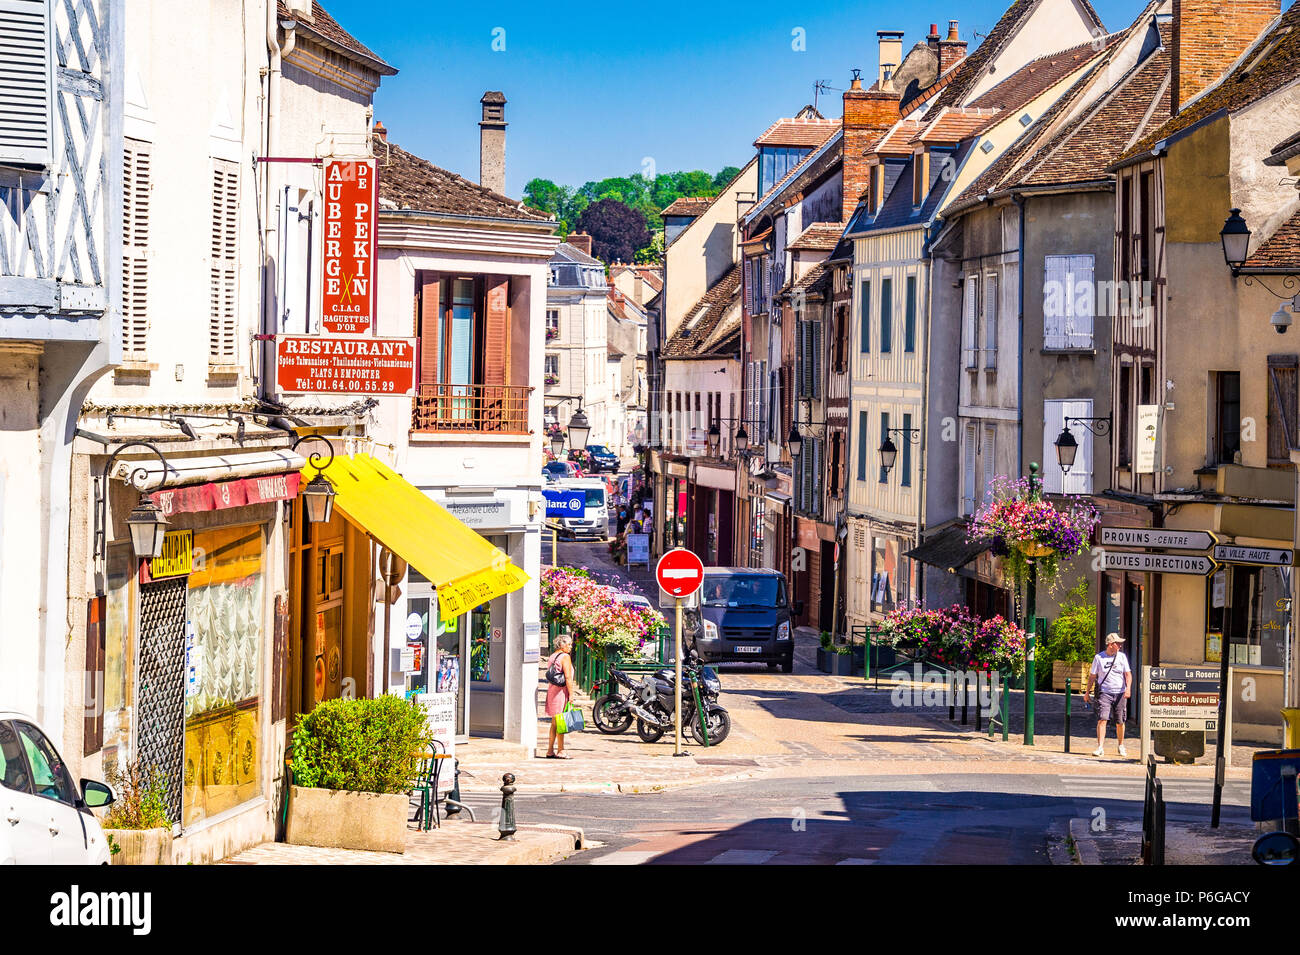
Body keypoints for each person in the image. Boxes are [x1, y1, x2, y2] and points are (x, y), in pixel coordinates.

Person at [1084, 633, 1132, 757]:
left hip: (1120, 692)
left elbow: (1128, 674)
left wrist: (1128, 689)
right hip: (1104, 692)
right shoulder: (1099, 658)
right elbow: (1092, 676)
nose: (1120, 645)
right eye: (1118, 643)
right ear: (1111, 644)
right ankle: (1100, 747)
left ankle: (1121, 745)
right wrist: (1087, 692)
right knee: (1102, 719)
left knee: (1120, 721)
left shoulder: (1122, 657)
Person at [544, 634, 577, 759]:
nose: (570, 647)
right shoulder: (565, 657)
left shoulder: (552, 656)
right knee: (561, 722)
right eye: (568, 644)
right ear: (562, 644)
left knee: (554, 723)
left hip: (552, 691)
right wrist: (571, 694)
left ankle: (550, 750)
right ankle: (561, 750)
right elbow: (568, 677)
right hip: (561, 693)